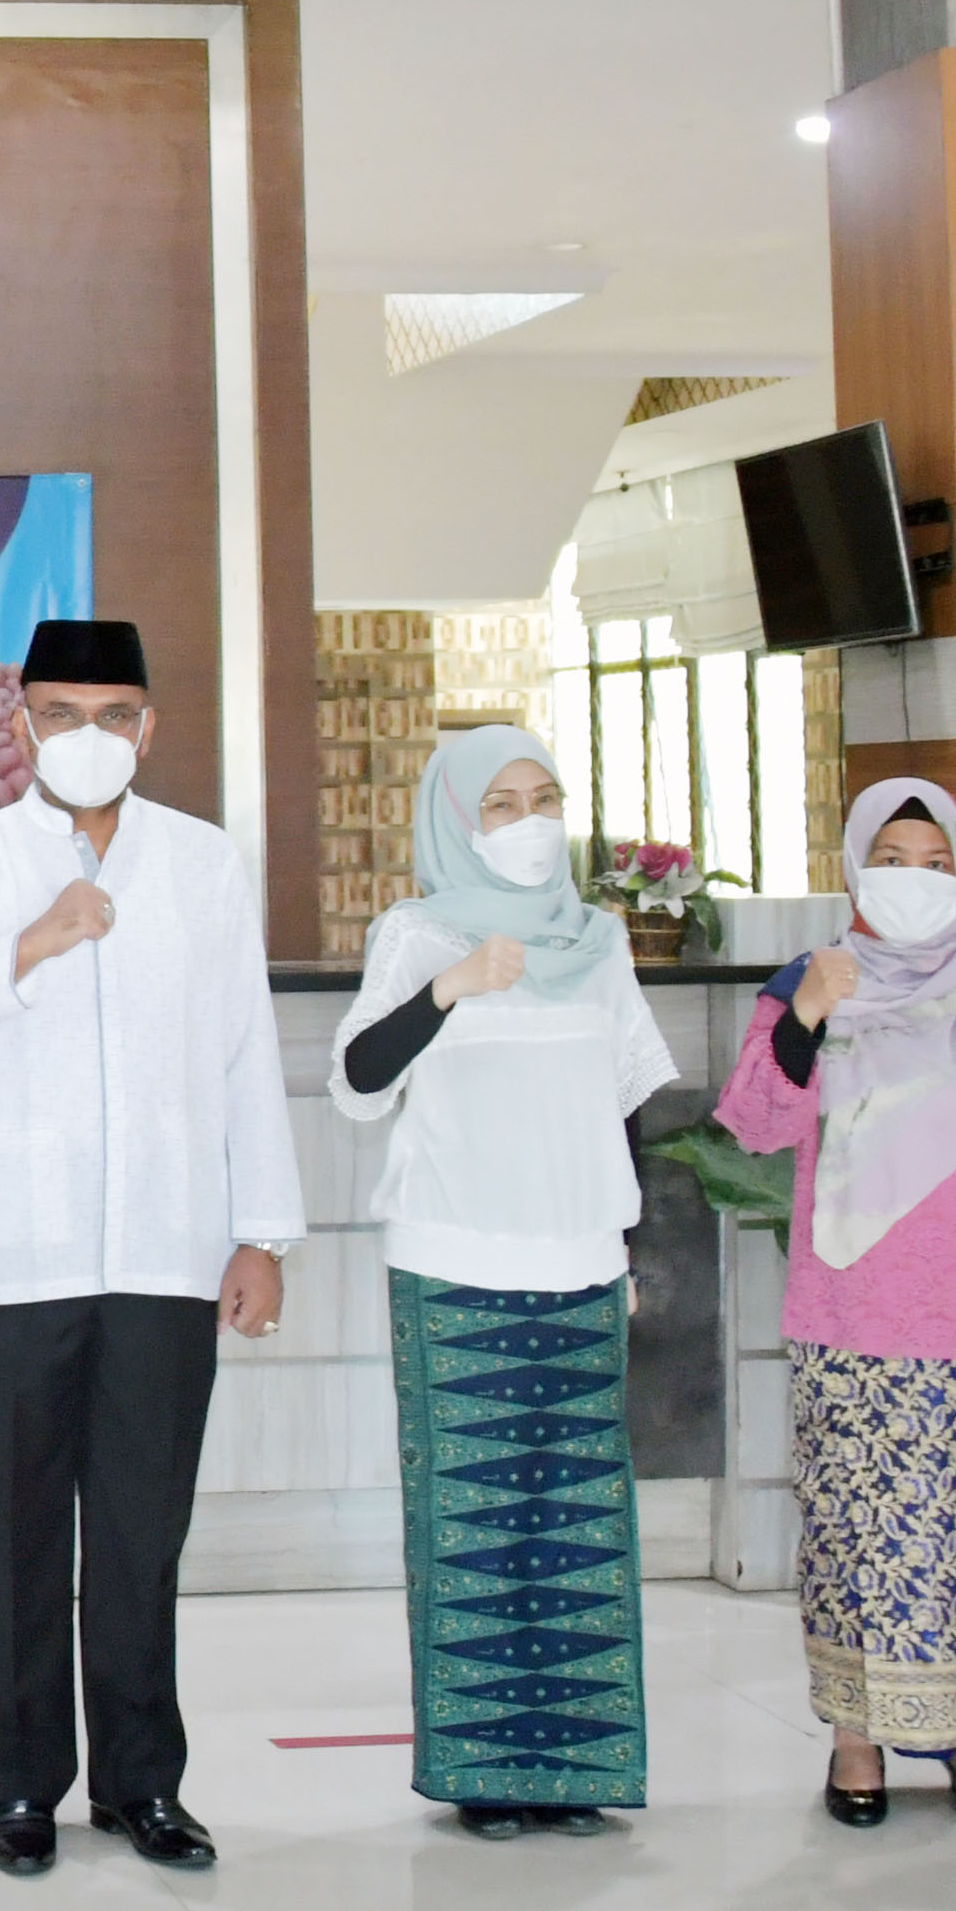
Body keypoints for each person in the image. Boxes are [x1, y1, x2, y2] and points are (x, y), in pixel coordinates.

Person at [0, 618, 301, 1878]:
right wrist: (29, 945)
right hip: (15, 1253)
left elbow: (247, 1050)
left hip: (169, 1248)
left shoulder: (203, 863)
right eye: (60, 714)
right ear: (23, 727)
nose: (87, 737)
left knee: (140, 1530)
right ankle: (18, 1786)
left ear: (147, 729)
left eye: (112, 715)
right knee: (16, 1533)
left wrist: (262, 1231)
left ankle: (141, 1784)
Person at [710, 779, 956, 1826]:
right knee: (856, 1533)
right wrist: (807, 1015)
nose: (916, 880)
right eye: (892, 858)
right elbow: (755, 1124)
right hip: (854, 1314)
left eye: (938, 863)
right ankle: (855, 1737)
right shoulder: (809, 985)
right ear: (854, 867)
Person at [326, 725, 672, 1838]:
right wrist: (447, 990)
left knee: (576, 1521)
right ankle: (483, 1772)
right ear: (455, 821)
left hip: (580, 1260)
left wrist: (631, 1250)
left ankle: (573, 1771)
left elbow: (628, 1102)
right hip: (454, 1262)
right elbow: (356, 1081)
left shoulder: (599, 940)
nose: (530, 823)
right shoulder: (418, 933)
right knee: (476, 1521)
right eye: (502, 804)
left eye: (546, 798)